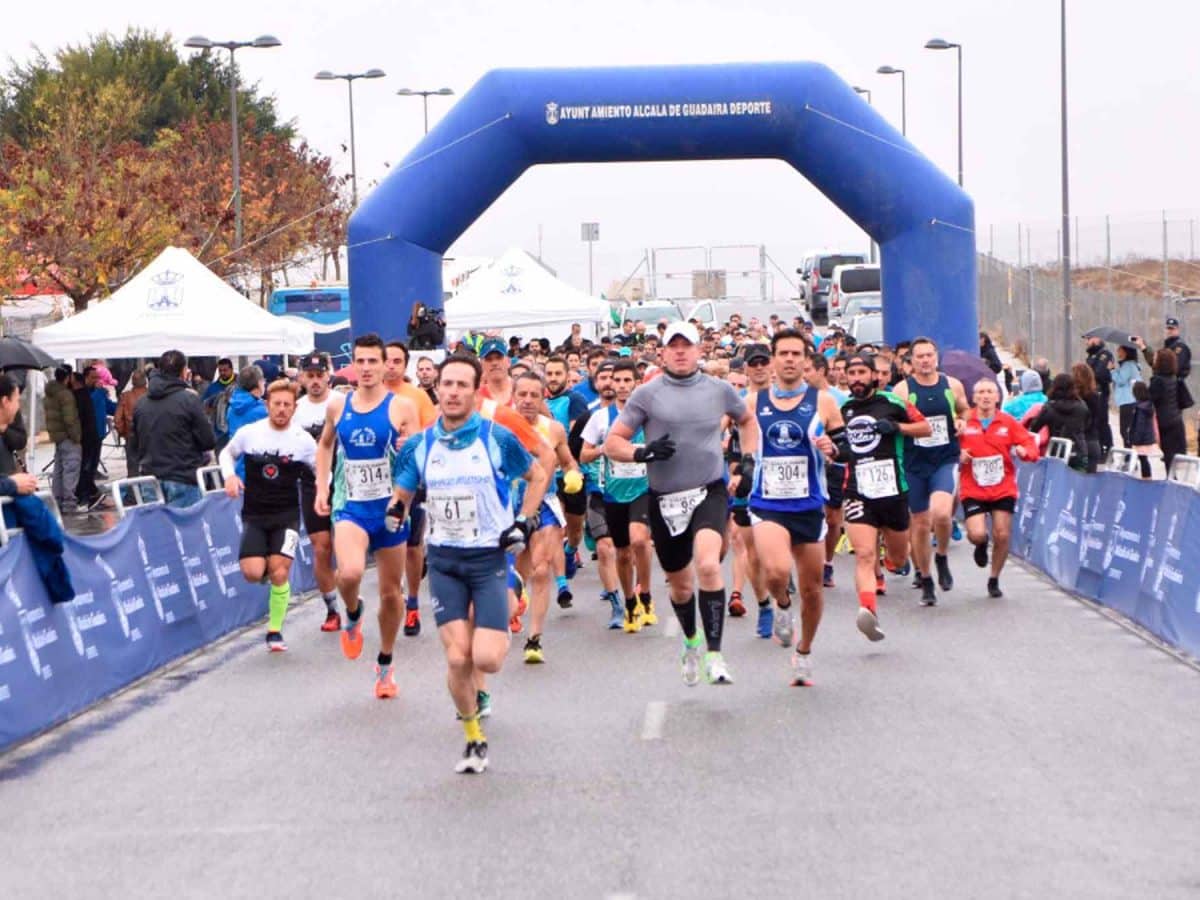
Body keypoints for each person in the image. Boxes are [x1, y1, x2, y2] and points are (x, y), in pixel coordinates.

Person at [391, 354, 548, 774]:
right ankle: (473, 737)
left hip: (489, 560)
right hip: (444, 562)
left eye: (463, 385)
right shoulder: (422, 445)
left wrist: (524, 521)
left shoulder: (496, 438)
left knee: (488, 660)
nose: (454, 392)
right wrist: (394, 512)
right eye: (448, 385)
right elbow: (403, 492)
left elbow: (536, 475)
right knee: (458, 659)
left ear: (476, 393)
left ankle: (512, 590)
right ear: (437, 390)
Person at [605, 322, 759, 686]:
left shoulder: (720, 390)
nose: (679, 352)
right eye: (672, 346)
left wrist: (749, 460)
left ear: (699, 350)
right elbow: (614, 443)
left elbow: (747, 420)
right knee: (680, 585)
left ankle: (716, 655)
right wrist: (641, 451)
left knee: (708, 565)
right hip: (664, 498)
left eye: (686, 346)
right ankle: (691, 641)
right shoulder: (647, 394)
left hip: (708, 490)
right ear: (662, 352)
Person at [313, 333, 420, 699]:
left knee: (392, 595)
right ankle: (353, 613)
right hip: (352, 507)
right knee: (351, 572)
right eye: (361, 361)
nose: (367, 368)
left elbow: (417, 455)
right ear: (352, 365)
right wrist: (321, 486)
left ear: (385, 365)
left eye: (374, 361)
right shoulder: (337, 406)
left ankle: (385, 666)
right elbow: (325, 445)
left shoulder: (402, 406)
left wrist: (409, 446)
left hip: (390, 509)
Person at [746, 330, 843, 686]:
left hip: (809, 504)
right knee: (775, 570)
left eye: (796, 353)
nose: (789, 359)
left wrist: (831, 449)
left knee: (813, 589)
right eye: (782, 353)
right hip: (767, 502)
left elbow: (844, 449)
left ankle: (804, 651)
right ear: (772, 360)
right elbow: (732, 437)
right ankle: (782, 606)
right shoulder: (753, 403)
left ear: (806, 360)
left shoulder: (824, 402)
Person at [219, 380, 317, 651]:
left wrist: (323, 493)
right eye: (277, 404)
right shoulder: (250, 433)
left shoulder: (302, 441)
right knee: (252, 573)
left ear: (294, 408)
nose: (282, 410)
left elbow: (321, 469)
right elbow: (226, 454)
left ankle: (275, 630)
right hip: (255, 514)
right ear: (267, 405)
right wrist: (229, 477)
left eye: (287, 405)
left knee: (280, 570)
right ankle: (268, 574)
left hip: (287, 516)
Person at [839, 353, 931, 639]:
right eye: (851, 373)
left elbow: (925, 428)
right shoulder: (844, 409)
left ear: (874, 376)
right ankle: (868, 612)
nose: (856, 379)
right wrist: (833, 450)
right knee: (865, 555)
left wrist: (897, 428)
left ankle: (892, 563)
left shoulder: (894, 403)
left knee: (900, 558)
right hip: (857, 490)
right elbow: (839, 446)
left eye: (861, 373)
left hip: (893, 491)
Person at [891, 337, 969, 604]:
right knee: (921, 524)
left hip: (944, 458)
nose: (925, 360)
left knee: (942, 514)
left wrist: (961, 421)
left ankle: (942, 556)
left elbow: (964, 410)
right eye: (920, 356)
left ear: (937, 358)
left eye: (929, 355)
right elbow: (894, 422)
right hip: (914, 462)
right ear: (911, 361)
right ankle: (925, 578)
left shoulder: (952, 385)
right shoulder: (903, 390)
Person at [511, 371, 582, 661]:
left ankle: (534, 639)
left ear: (543, 398)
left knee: (541, 570)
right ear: (514, 396)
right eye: (522, 394)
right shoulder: (499, 427)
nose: (528, 401)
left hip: (546, 505)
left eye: (534, 395)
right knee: (518, 573)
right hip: (511, 505)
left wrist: (573, 475)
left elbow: (567, 461)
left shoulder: (553, 429)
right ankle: (515, 600)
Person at [581, 359, 656, 632]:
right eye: (618, 380)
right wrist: (606, 448)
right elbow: (583, 454)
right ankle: (629, 602)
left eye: (628, 381)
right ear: (611, 383)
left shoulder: (649, 416)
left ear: (636, 383)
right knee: (622, 554)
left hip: (643, 488)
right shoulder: (601, 418)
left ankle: (645, 593)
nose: (623, 386)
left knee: (640, 540)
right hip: (612, 493)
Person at [957, 379, 1039, 598]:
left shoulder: (1008, 422)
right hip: (973, 487)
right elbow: (947, 447)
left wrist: (1026, 452)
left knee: (1002, 534)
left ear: (997, 397)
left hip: (1002, 487)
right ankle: (981, 544)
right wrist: (958, 455)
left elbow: (1030, 444)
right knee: (976, 534)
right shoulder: (965, 422)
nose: (985, 396)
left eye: (990, 392)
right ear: (973, 398)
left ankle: (994, 578)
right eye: (981, 392)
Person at [384, 340, 439, 635]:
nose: (391, 365)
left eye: (396, 361)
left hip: (411, 477)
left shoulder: (417, 397)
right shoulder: (369, 396)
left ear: (405, 366)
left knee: (412, 546)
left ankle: (413, 603)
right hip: (380, 481)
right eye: (387, 360)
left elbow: (433, 434)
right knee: (388, 543)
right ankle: (393, 598)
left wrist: (414, 441)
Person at [292, 353, 341, 632]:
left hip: (343, 481)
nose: (314, 381)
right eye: (309, 376)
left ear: (327, 375)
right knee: (321, 548)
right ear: (301, 378)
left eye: (318, 375)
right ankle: (332, 608)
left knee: (346, 550)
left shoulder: (341, 403)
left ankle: (348, 588)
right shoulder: (295, 409)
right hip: (310, 482)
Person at [133, 350, 217, 508]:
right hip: (183, 477)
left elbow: (135, 442)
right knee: (186, 530)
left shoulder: (141, 403)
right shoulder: (189, 399)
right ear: (184, 371)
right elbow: (208, 440)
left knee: (156, 531)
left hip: (150, 478)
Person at [803, 352, 849, 590]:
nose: (804, 374)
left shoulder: (838, 399)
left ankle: (827, 563)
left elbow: (843, 436)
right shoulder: (798, 398)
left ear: (821, 371)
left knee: (832, 519)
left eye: (808, 369)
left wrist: (833, 451)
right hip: (807, 466)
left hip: (833, 465)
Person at [1027, 374, 1091, 472]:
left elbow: (1034, 428)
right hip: (1079, 452)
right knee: (1077, 485)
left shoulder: (1049, 407)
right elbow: (1087, 425)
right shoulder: (1082, 406)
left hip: (1056, 453)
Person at [46, 366, 82, 514]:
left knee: (59, 470)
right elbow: (69, 420)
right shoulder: (66, 395)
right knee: (71, 469)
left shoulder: (50, 393)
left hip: (57, 436)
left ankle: (58, 501)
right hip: (68, 437)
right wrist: (76, 437)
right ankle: (69, 503)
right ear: (67, 378)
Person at [1147, 349, 1186, 471]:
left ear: (1161, 361)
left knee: (1168, 455)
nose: (1154, 359)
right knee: (1175, 456)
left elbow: (1151, 399)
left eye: (1156, 357)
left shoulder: (1157, 380)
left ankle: (1170, 483)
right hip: (1176, 420)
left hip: (1165, 422)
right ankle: (1174, 480)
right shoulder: (1173, 377)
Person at [113, 369, 148, 478]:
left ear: (132, 382)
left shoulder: (125, 396)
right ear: (145, 381)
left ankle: (133, 492)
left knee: (132, 467)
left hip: (131, 434)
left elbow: (117, 419)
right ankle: (149, 492)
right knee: (150, 466)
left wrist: (123, 432)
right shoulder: (152, 395)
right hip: (149, 434)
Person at [1072, 362, 1105, 473]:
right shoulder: (1095, 396)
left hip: (1078, 443)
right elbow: (1099, 420)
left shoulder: (1074, 397)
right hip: (1093, 441)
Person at [1084, 337, 1114, 455]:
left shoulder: (1104, 354)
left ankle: (1106, 447)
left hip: (1100, 392)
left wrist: (1088, 374)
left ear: (1096, 340)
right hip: (1091, 393)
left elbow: (1099, 373)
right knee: (1093, 421)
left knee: (1101, 420)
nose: (1086, 343)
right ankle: (1098, 447)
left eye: (1088, 340)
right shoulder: (1091, 356)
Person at [1111, 345, 1141, 448]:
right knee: (1125, 431)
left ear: (1126, 352)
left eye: (1120, 349)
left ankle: (1129, 457)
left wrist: (1112, 370)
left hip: (1128, 401)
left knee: (1125, 431)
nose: (1117, 351)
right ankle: (1129, 455)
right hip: (1126, 401)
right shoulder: (1127, 365)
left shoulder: (1129, 365)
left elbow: (1120, 380)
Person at [202, 358, 237, 445]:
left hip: (235, 430)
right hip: (219, 434)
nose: (222, 373)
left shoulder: (240, 385)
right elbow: (203, 406)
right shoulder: (212, 388)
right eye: (220, 370)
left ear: (232, 369)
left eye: (225, 370)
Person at [1128, 382, 1157, 479]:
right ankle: (1147, 477)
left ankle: (1147, 478)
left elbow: (1139, 426)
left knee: (1143, 459)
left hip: (1141, 439)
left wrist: (1135, 439)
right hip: (1147, 437)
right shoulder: (1148, 405)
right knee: (1143, 459)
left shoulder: (1140, 408)